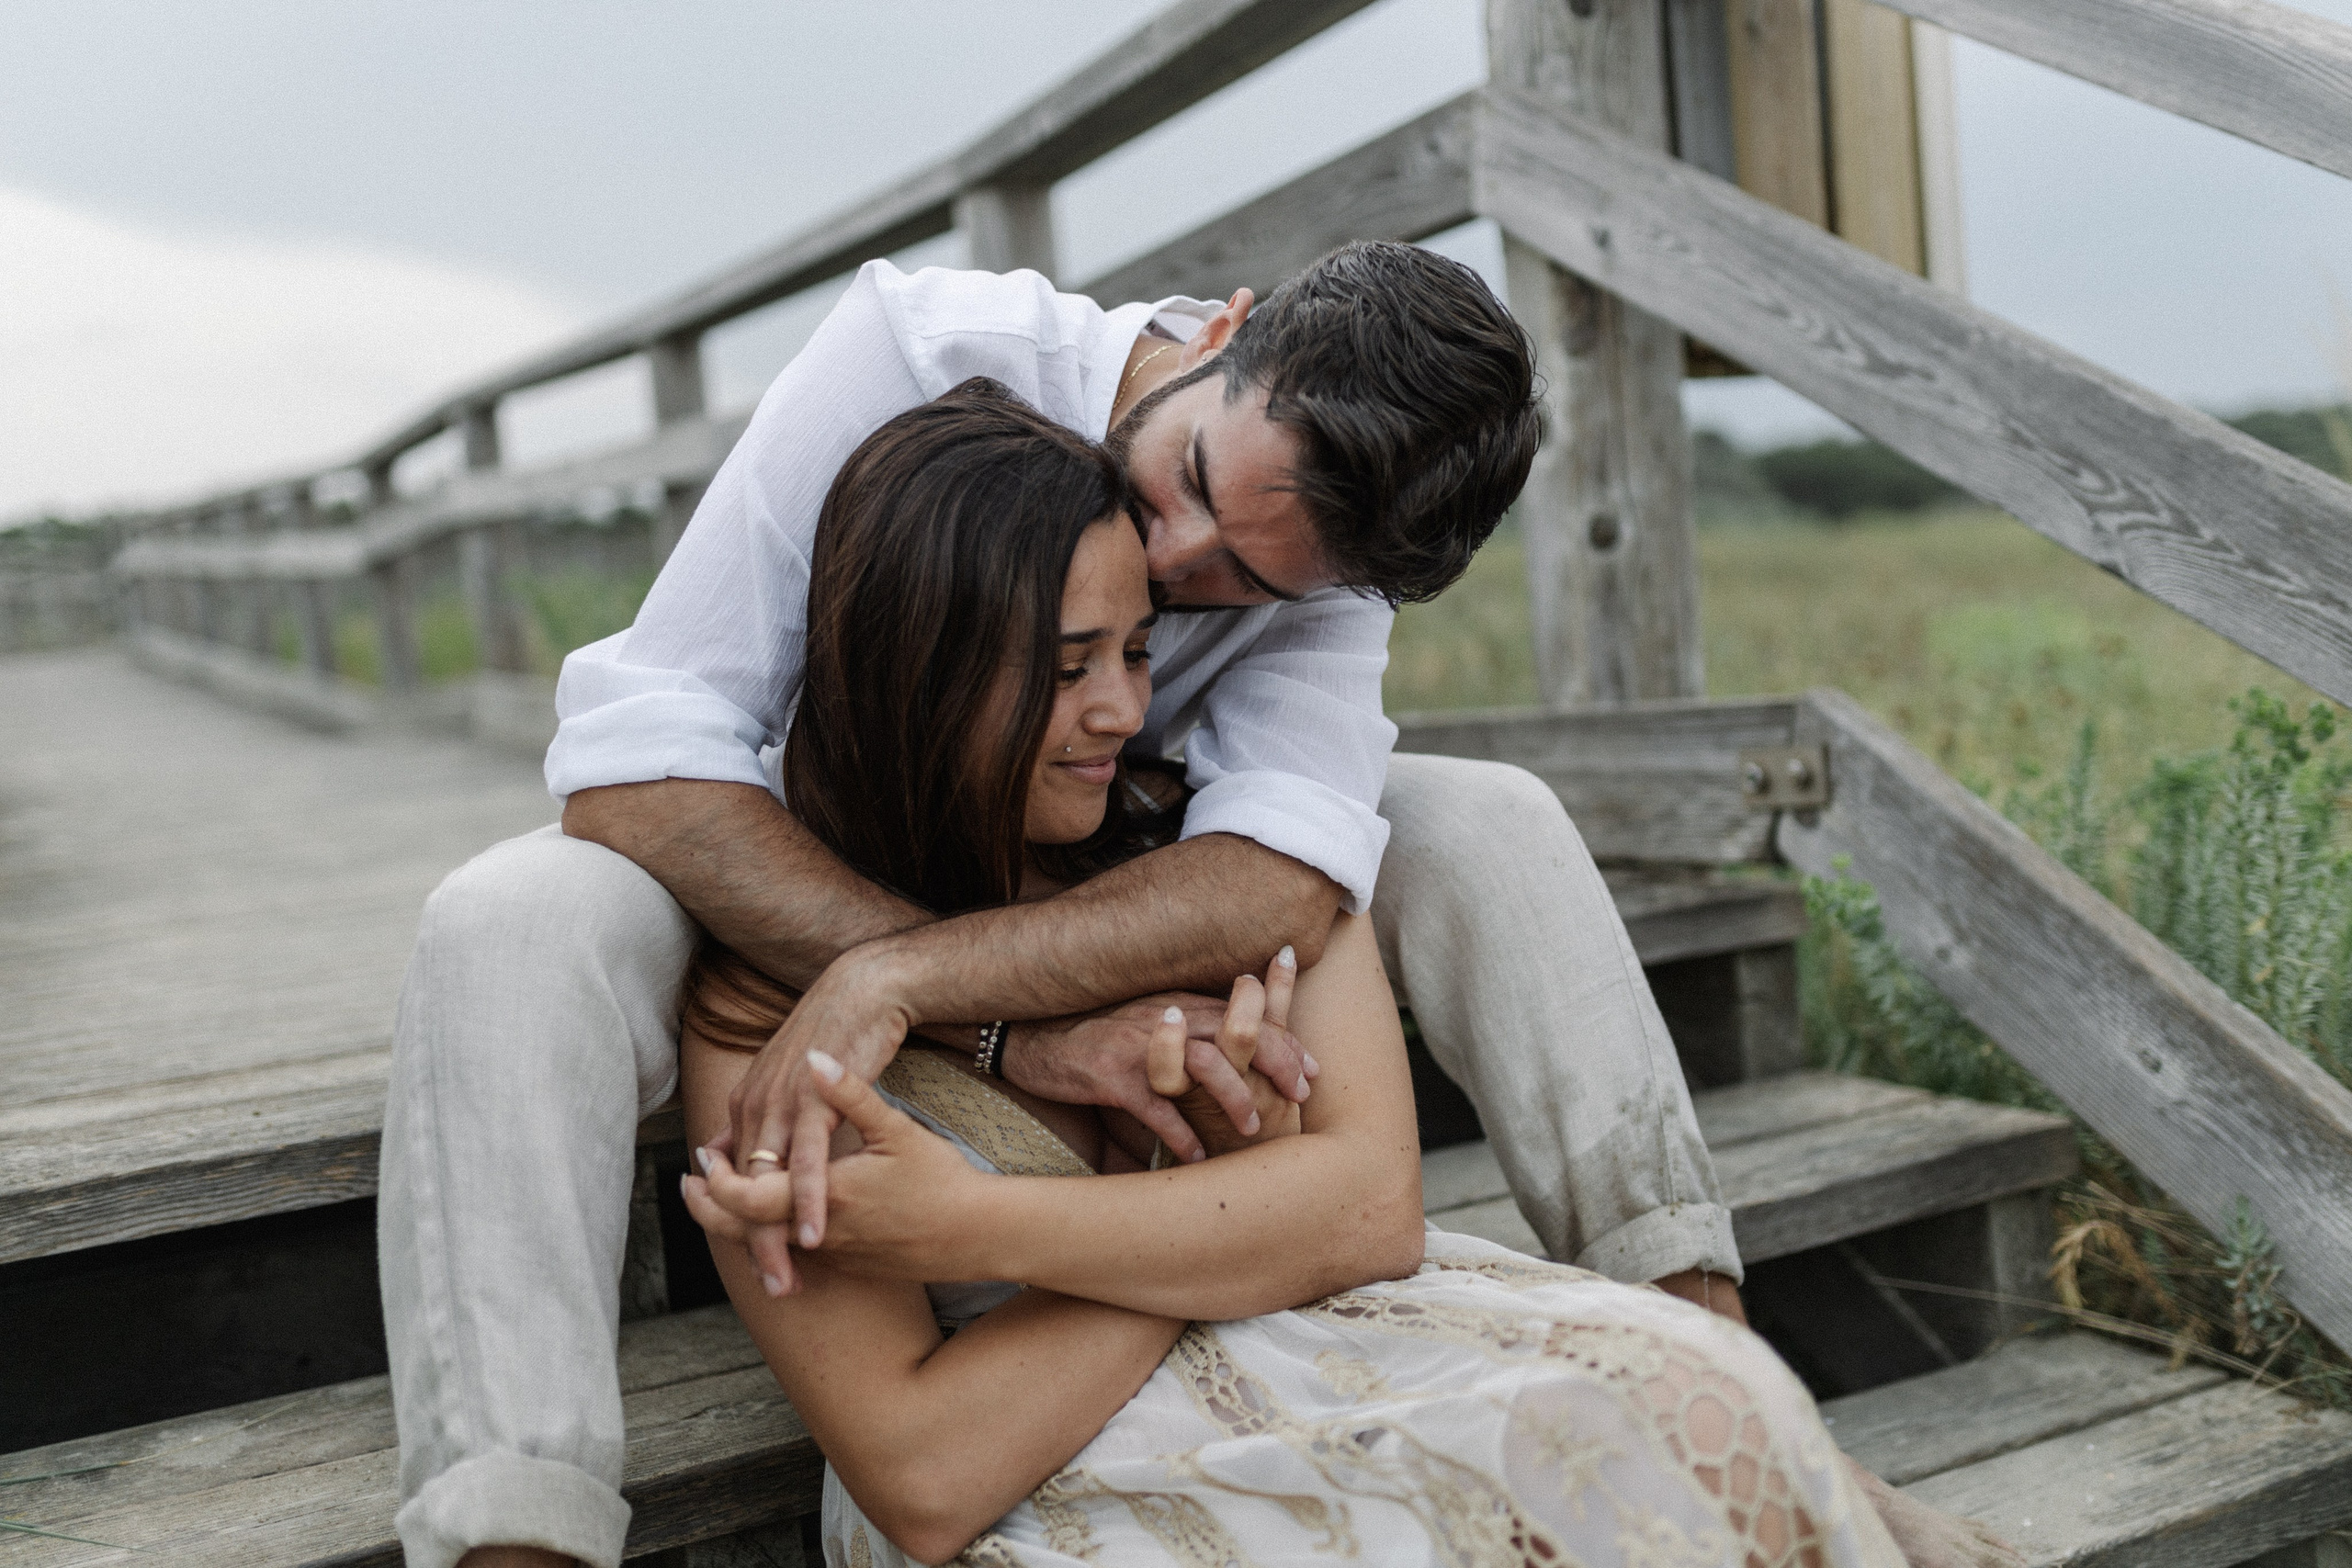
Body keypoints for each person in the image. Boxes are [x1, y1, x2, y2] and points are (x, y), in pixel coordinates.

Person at [380, 243, 1739, 1568]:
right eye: (1192, 479)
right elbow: (638, 772)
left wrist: (924, 986)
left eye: (1244, 580)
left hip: (1095, 839)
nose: (1173, 552)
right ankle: (519, 1527)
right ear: (1223, 331)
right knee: (507, 921)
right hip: (782, 845)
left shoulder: (1329, 537)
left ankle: (1710, 1344)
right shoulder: (914, 351)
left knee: (1490, 815)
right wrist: (989, 1026)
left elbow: (1276, 874)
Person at [669, 380, 1908, 1567]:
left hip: (1301, 1354)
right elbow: (925, 1474)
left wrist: (986, 1220)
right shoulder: (762, 1012)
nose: (1122, 710)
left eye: (1138, 652)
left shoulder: (1215, 861)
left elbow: (1368, 1212)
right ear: (915, 674)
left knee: (1714, 1401)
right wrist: (1236, 1206)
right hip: (1043, 1484)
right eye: (1065, 667)